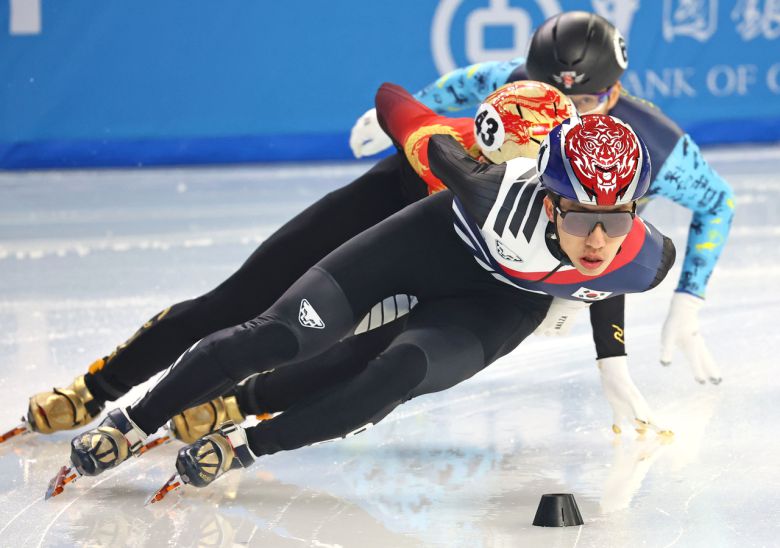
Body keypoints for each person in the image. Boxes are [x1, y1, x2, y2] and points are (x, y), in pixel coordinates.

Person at [65, 87, 674, 495]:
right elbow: (400, 110)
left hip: (497, 307)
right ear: (546, 200)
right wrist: (409, 124)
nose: (597, 240)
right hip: (434, 242)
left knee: (397, 372)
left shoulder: (639, 256)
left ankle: (248, 445)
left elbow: (613, 274)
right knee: (277, 335)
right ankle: (132, 420)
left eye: (614, 221)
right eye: (578, 220)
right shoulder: (487, 190)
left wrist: (606, 348)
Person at [18, 81, 573, 443]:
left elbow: (615, 258)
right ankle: (97, 388)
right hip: (391, 207)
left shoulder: (569, 188)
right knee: (238, 304)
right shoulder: (442, 145)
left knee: (381, 354)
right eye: (503, 176)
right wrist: (423, 138)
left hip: (454, 264)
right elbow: (390, 99)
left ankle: (236, 404)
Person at [351, 11, 734, 391]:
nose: (561, 115)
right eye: (549, 97)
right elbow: (461, 86)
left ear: (614, 93)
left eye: (583, 102)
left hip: (578, 254)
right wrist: (398, 116)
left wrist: (688, 300)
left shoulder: (663, 150)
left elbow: (717, 203)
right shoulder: (517, 84)